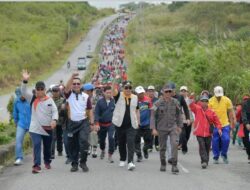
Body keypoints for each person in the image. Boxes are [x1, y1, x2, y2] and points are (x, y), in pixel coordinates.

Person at [21, 70, 58, 174]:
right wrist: (25, 80)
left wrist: (54, 120)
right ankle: (36, 165)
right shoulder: (32, 98)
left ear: (45, 90)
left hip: (47, 128)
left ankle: (47, 161)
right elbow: (23, 91)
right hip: (35, 128)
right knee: (37, 144)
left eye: (42, 89)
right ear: (35, 90)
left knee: (47, 147)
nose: (40, 91)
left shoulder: (50, 100)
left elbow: (55, 111)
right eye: (38, 89)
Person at [64, 74, 96, 172]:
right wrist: (72, 77)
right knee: (72, 145)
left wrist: (92, 123)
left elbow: (90, 109)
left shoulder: (86, 96)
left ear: (81, 85)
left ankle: (83, 162)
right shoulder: (69, 95)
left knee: (84, 142)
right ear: (72, 85)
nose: (76, 85)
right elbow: (66, 88)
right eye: (74, 84)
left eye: (78, 83)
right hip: (72, 124)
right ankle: (74, 164)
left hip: (83, 123)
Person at [150, 83, 183, 174]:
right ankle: (163, 163)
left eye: (170, 91)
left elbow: (179, 114)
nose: (168, 93)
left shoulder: (175, 102)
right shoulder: (158, 103)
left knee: (174, 145)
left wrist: (180, 126)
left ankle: (174, 165)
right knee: (163, 147)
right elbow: (152, 115)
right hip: (161, 128)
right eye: (166, 91)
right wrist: (153, 128)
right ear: (163, 92)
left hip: (173, 127)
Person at [112, 80, 140, 171]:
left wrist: (138, 121)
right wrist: (114, 81)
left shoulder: (135, 97)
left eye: (130, 88)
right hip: (120, 124)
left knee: (131, 142)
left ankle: (130, 162)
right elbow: (113, 90)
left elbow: (137, 110)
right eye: (126, 88)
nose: (128, 89)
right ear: (123, 88)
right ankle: (122, 158)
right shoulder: (118, 95)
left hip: (131, 125)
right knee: (121, 143)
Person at [189, 94, 222, 169]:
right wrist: (191, 97)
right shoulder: (197, 109)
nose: (204, 103)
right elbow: (191, 105)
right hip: (199, 132)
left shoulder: (211, 112)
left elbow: (217, 122)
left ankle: (206, 161)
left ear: (208, 102)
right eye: (202, 101)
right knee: (202, 146)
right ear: (200, 102)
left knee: (207, 147)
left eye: (205, 101)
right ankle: (203, 161)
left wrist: (219, 129)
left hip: (208, 133)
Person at [209, 86, 236, 164]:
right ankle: (216, 157)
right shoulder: (210, 101)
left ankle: (224, 154)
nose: (219, 97)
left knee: (226, 139)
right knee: (215, 141)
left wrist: (231, 124)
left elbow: (230, 113)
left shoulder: (227, 100)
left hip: (225, 124)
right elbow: (208, 114)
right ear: (214, 93)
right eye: (217, 95)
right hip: (215, 125)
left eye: (220, 95)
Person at [95, 86, 116, 163]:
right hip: (101, 124)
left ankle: (110, 155)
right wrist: (96, 123)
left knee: (111, 138)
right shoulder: (99, 102)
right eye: (107, 93)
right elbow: (96, 113)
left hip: (111, 124)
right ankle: (102, 150)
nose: (109, 94)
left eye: (110, 93)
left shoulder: (114, 101)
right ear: (104, 93)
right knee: (101, 140)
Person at [13, 87, 31, 165]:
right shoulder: (16, 102)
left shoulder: (30, 100)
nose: (21, 96)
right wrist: (16, 121)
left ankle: (39, 158)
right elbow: (15, 112)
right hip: (21, 124)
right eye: (20, 94)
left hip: (31, 124)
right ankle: (19, 158)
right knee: (18, 141)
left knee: (36, 141)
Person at [134, 86, 153, 162]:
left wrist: (153, 121)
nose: (141, 95)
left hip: (147, 123)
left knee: (148, 139)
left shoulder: (148, 100)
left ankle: (145, 149)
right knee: (136, 140)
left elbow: (152, 110)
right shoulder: (134, 100)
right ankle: (139, 155)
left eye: (142, 93)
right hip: (137, 123)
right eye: (139, 93)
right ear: (136, 94)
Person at [82, 83, 99, 158]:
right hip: (84, 119)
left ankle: (94, 149)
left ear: (89, 91)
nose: (84, 92)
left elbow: (98, 110)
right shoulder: (82, 98)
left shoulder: (96, 99)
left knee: (94, 133)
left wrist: (96, 121)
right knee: (87, 134)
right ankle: (88, 147)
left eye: (85, 91)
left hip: (94, 119)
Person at [51, 85, 65, 159]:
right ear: (52, 92)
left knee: (59, 137)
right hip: (52, 121)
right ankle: (52, 153)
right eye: (54, 91)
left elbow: (63, 110)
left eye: (57, 91)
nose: (55, 93)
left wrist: (62, 108)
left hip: (60, 121)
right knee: (53, 137)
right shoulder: (49, 100)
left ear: (59, 92)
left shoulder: (63, 100)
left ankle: (60, 150)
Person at [179, 86, 194, 154]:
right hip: (181, 120)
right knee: (183, 134)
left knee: (187, 135)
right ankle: (184, 147)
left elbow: (194, 108)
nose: (183, 92)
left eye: (184, 91)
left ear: (187, 92)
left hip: (189, 120)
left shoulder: (190, 100)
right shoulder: (178, 99)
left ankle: (183, 144)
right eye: (182, 91)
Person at [147, 85, 159, 152]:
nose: (151, 92)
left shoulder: (157, 100)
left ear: (154, 92)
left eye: (152, 91)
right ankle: (150, 146)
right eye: (150, 91)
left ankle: (157, 144)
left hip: (156, 117)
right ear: (147, 92)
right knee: (150, 132)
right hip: (148, 117)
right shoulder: (146, 99)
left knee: (157, 131)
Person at [241, 95, 250, 163]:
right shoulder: (245, 104)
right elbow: (243, 114)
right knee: (246, 141)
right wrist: (246, 123)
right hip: (247, 124)